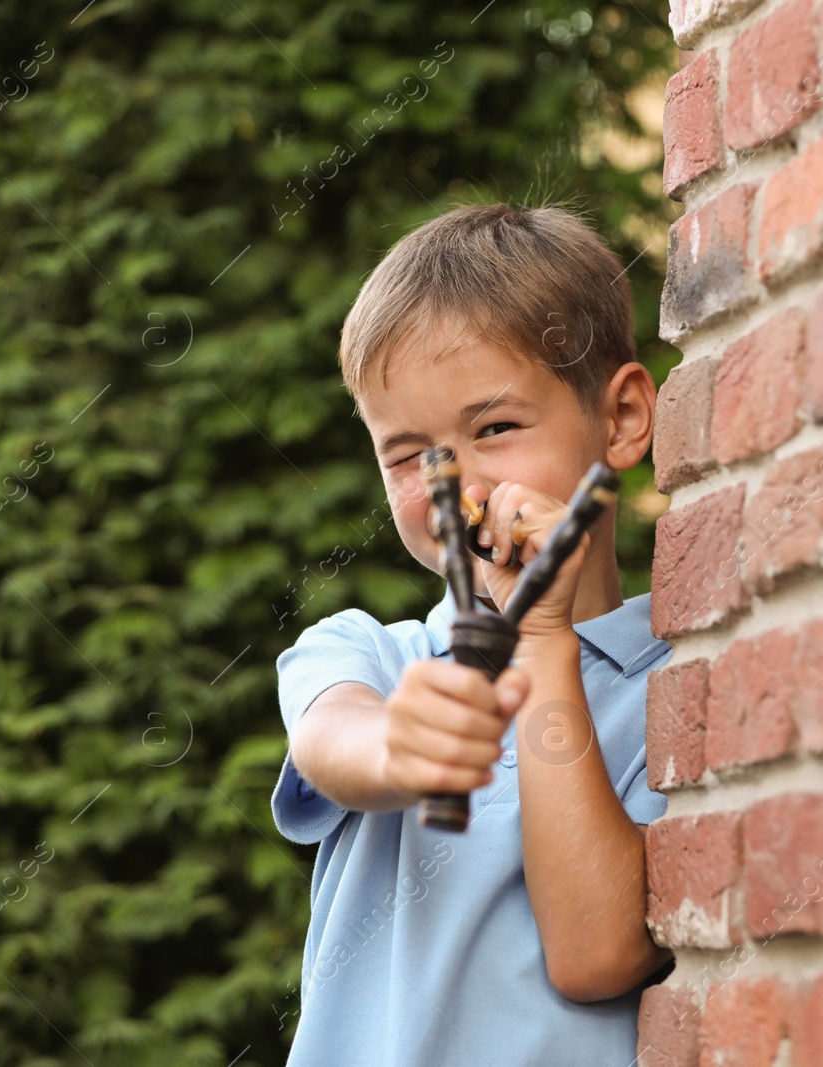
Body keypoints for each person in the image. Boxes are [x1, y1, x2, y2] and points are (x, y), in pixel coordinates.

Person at [270, 203, 670, 1066]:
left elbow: (599, 954)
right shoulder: (371, 655)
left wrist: (543, 643)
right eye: (408, 454)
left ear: (624, 417)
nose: (450, 485)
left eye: (493, 428)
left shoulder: (682, 691)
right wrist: (397, 745)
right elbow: (332, 739)